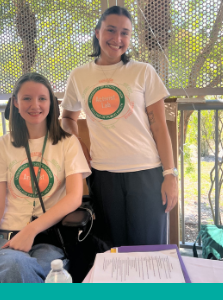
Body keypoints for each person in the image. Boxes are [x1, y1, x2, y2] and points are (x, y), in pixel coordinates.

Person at [60, 6, 176, 247]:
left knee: (149, 251)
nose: (117, 38)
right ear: (97, 32)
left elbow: (159, 128)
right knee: (112, 250)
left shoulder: (143, 72)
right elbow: (67, 118)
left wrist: (170, 174)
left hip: (147, 173)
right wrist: (80, 147)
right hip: (103, 176)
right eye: (111, 30)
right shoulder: (79, 76)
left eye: (125, 33)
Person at [0, 73, 90, 283]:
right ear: (15, 102)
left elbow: (74, 197)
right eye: (27, 98)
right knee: (15, 266)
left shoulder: (67, 143)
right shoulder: (3, 145)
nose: (35, 105)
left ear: (51, 102)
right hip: (5, 239)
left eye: (42, 98)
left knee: (20, 271)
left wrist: (30, 230)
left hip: (48, 241)